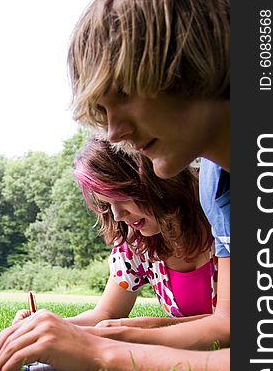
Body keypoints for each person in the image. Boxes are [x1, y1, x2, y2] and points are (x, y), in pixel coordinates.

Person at [0, 0, 230, 371]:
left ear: (195, 62)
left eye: (125, 93)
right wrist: (90, 334)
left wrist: (103, 352)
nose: (114, 132)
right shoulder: (217, 188)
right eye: (103, 111)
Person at [13, 138, 217, 329]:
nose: (118, 215)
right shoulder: (137, 242)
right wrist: (48, 324)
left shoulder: (221, 211)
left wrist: (146, 328)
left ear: (151, 178)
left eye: (121, 197)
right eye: (108, 204)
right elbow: (106, 313)